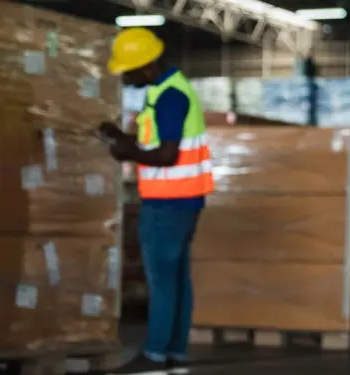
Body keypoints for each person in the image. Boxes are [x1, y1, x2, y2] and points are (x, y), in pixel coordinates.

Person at [98, 27, 214, 375]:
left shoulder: (169, 97)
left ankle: (154, 352)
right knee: (176, 278)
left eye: (128, 71)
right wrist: (123, 138)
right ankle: (173, 352)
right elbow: (160, 141)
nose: (125, 77)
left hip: (167, 203)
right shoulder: (168, 90)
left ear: (147, 67)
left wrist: (127, 151)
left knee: (162, 281)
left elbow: (166, 155)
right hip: (182, 200)